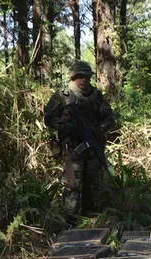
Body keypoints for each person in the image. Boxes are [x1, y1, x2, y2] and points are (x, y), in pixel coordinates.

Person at [44, 61, 119, 215]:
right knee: (72, 185)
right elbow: (48, 118)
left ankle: (90, 217)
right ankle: (70, 219)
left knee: (94, 184)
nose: (83, 80)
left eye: (86, 76)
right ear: (73, 77)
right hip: (71, 149)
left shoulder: (96, 96)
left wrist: (99, 130)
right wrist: (65, 126)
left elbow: (109, 118)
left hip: (93, 147)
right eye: (79, 76)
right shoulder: (63, 95)